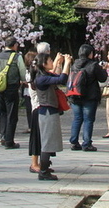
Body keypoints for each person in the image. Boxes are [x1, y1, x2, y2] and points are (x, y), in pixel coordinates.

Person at [32, 51, 71, 180]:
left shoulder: (42, 75)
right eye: (49, 60)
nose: (51, 62)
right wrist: (67, 63)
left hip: (48, 111)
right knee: (47, 142)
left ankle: (45, 167)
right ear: (43, 64)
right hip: (47, 112)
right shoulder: (42, 78)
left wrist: (58, 61)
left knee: (49, 141)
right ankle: (43, 171)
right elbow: (62, 79)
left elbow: (54, 74)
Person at [68, 44, 107, 152]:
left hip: (75, 95)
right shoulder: (94, 65)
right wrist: (104, 70)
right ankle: (87, 143)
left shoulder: (75, 64)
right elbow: (103, 79)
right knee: (88, 120)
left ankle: (74, 142)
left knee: (77, 118)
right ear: (90, 53)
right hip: (90, 97)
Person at [0, 37, 26, 149]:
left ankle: (3, 136)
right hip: (12, 87)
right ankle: (9, 141)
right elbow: (22, 71)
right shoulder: (17, 56)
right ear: (15, 45)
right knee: (12, 114)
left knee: (2, 112)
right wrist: (22, 80)